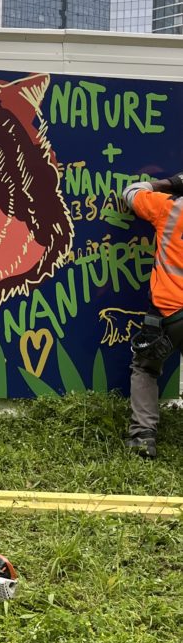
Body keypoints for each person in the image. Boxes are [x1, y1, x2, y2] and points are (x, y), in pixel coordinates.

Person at [122, 171, 183, 457]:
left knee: (145, 367)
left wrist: (169, 183)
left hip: (169, 312)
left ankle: (143, 437)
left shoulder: (170, 208)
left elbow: (130, 193)